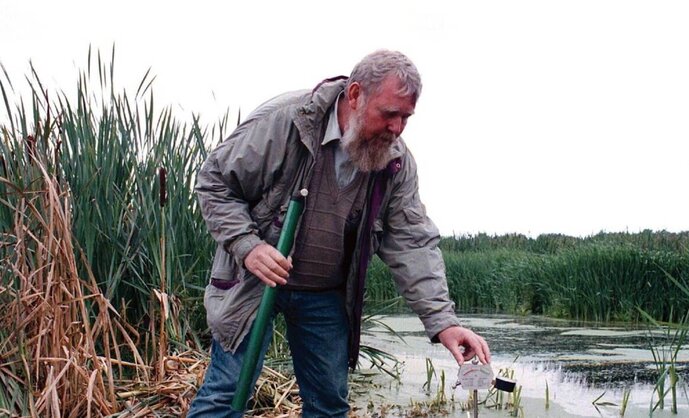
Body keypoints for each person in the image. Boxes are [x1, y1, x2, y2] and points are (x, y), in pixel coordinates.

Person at [187, 50, 491, 418]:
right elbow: (213, 182)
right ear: (355, 94)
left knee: (329, 408)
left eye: (406, 117)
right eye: (389, 114)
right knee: (225, 397)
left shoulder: (394, 162)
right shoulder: (286, 122)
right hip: (254, 284)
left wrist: (443, 321)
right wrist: (247, 246)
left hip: (324, 295)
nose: (397, 128)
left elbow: (413, 242)